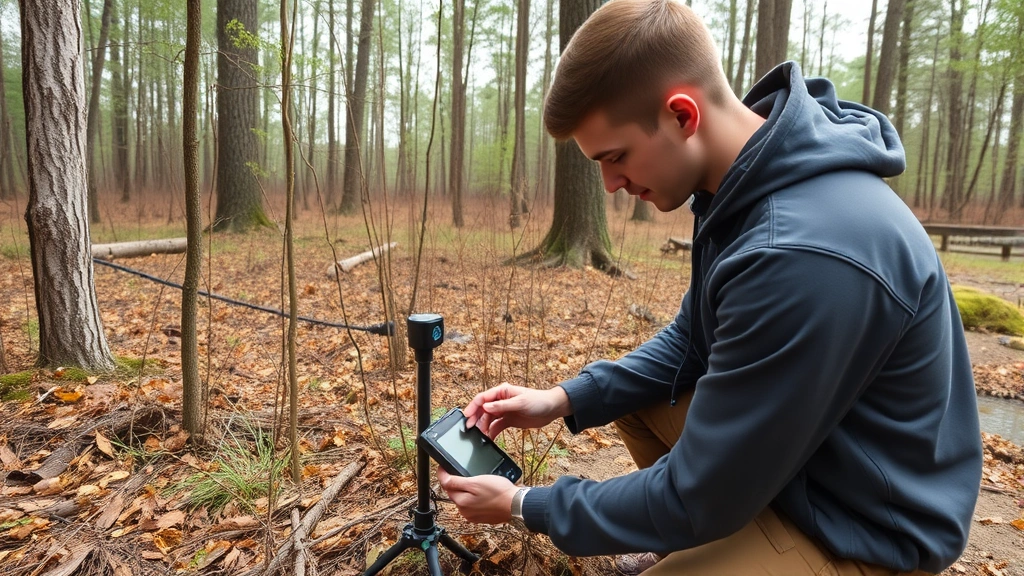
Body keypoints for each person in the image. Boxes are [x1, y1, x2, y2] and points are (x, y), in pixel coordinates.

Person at [436, 0, 983, 574]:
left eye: (616, 157)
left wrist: (525, 504)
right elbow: (690, 342)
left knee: (693, 497)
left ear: (682, 115)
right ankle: (702, 542)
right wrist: (561, 400)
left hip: (865, 528)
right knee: (636, 397)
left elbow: (700, 491)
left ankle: (724, 543)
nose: (611, 183)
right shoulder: (742, 186)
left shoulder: (800, 253)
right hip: (805, 466)